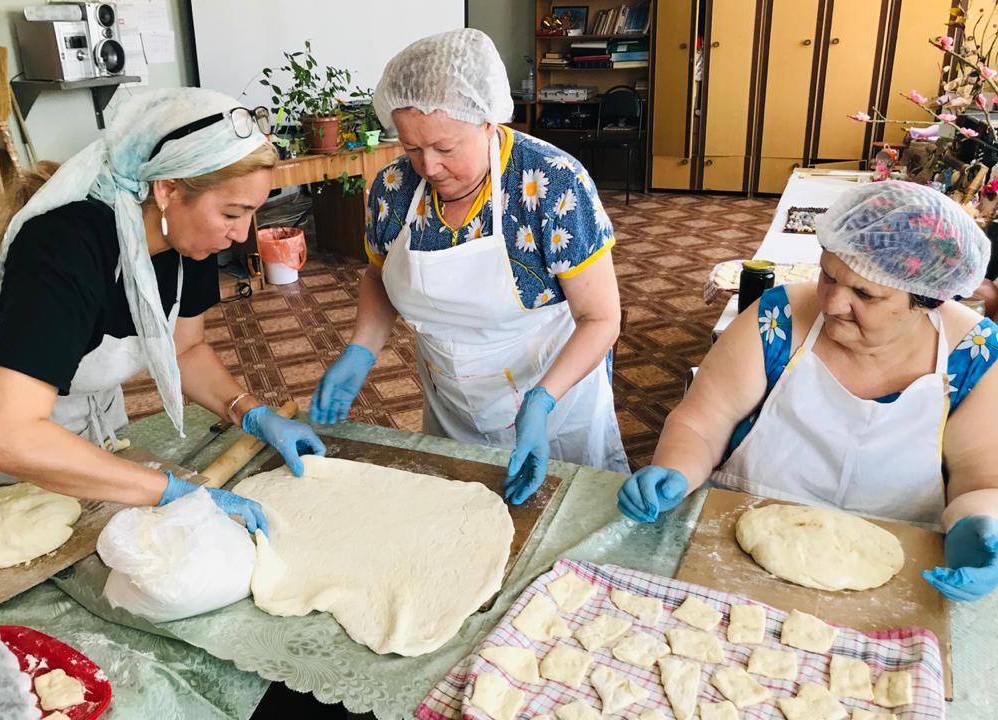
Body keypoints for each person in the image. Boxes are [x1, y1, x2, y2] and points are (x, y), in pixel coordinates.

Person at [618, 180, 998, 602]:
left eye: (865, 293)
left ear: (929, 299)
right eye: (828, 275)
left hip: (901, 580)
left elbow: (981, 481)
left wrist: (978, 527)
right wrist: (676, 470)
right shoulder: (777, 319)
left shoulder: (975, 356)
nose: (832, 303)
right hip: (730, 550)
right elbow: (704, 421)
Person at [0, 89, 326, 534]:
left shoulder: (188, 241)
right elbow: (5, 437)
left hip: (87, 425)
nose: (241, 236)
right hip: (1, 442)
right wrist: (171, 491)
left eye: (250, 214)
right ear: (167, 189)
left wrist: (250, 412)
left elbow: (186, 348)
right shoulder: (65, 249)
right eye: (232, 214)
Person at [310, 29, 629, 504]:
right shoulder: (394, 188)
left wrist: (542, 401)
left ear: (487, 123)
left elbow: (600, 318)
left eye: (444, 148)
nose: (428, 167)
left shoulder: (552, 184)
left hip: (555, 405)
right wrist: (361, 349)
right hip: (451, 404)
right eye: (411, 147)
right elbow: (379, 276)